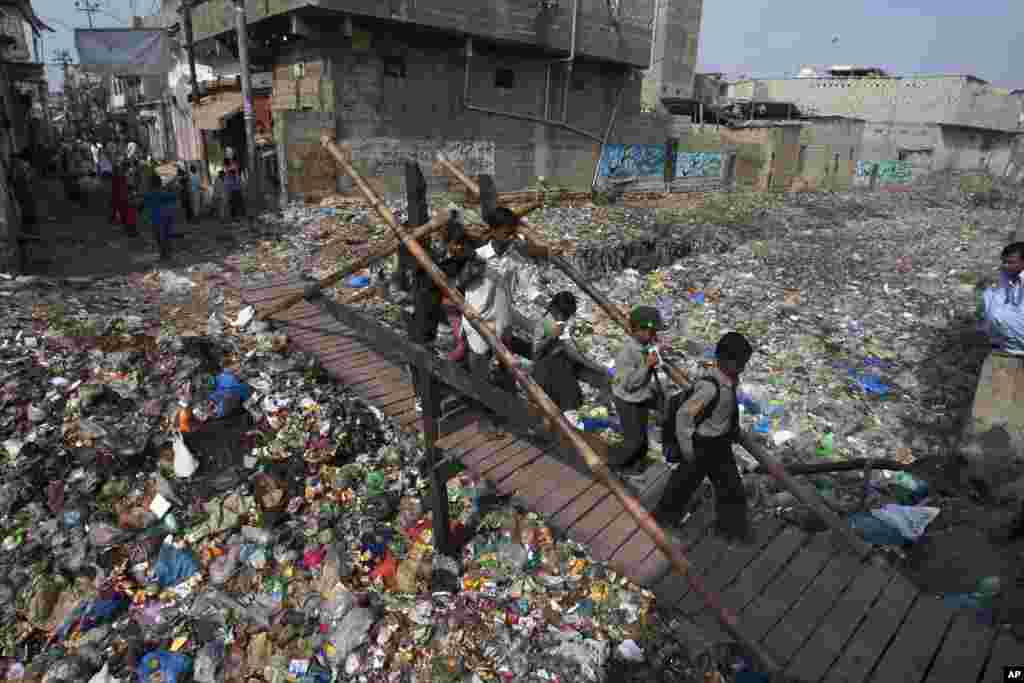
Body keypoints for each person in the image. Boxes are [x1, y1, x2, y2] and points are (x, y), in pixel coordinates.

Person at [651, 332, 754, 544]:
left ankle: (730, 528)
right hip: (701, 444)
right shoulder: (709, 387)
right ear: (723, 360)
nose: (742, 368)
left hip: (720, 443)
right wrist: (688, 448)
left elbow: (726, 407)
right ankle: (661, 521)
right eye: (740, 363)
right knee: (682, 485)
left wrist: (731, 429)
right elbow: (684, 416)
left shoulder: (729, 380)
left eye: (744, 363)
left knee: (731, 488)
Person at [532, 291, 613, 413]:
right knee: (568, 403)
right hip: (547, 370)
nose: (563, 318)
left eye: (566, 316)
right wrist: (551, 337)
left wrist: (596, 367)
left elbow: (569, 349)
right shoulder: (547, 323)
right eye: (563, 314)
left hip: (562, 365)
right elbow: (536, 353)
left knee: (577, 397)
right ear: (554, 309)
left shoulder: (559, 323)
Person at [607, 305, 665, 473]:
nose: (654, 336)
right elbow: (630, 384)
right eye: (651, 332)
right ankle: (612, 466)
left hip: (640, 398)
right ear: (638, 329)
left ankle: (635, 466)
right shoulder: (627, 353)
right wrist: (647, 365)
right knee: (634, 441)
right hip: (627, 400)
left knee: (642, 439)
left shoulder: (645, 346)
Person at [143, 174, 178, 260]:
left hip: (156, 219)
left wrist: (147, 218)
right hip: (167, 217)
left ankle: (164, 255)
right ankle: (167, 254)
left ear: (151, 183)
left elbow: (145, 206)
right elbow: (175, 198)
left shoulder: (149, 195)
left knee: (159, 238)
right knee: (166, 237)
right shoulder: (165, 193)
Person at [224, 148, 245, 221]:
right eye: (228, 153)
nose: (229, 154)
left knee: (238, 201)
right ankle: (234, 216)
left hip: (236, 186)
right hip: (232, 187)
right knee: (233, 202)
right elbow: (228, 173)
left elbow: (238, 174)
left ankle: (239, 216)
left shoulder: (236, 164)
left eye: (230, 153)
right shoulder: (227, 166)